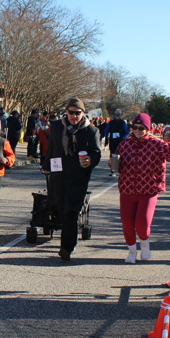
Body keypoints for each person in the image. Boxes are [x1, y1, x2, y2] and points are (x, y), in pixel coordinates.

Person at [115, 113, 170, 262]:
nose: (137, 130)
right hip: (127, 189)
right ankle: (132, 252)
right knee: (127, 224)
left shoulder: (158, 144)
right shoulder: (124, 144)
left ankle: (144, 245)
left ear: (148, 129)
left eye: (141, 128)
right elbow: (118, 164)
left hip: (149, 189)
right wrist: (114, 164)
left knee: (142, 224)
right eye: (135, 127)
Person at [41, 98, 101, 262]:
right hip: (58, 172)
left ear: (83, 113)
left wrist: (90, 160)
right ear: (66, 112)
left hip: (78, 176)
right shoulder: (56, 126)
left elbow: (96, 152)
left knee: (71, 211)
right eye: (71, 112)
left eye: (77, 113)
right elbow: (51, 147)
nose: (74, 116)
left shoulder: (91, 131)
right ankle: (67, 237)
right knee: (59, 206)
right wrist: (46, 165)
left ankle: (67, 247)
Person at [104, 109, 130, 174]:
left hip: (120, 141)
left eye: (119, 114)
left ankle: (121, 168)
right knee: (112, 154)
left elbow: (127, 132)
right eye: (116, 114)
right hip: (112, 141)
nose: (117, 115)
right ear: (114, 114)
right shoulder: (110, 123)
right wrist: (107, 136)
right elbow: (106, 131)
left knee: (121, 154)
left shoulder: (123, 123)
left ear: (120, 115)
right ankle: (113, 168)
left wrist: (122, 138)